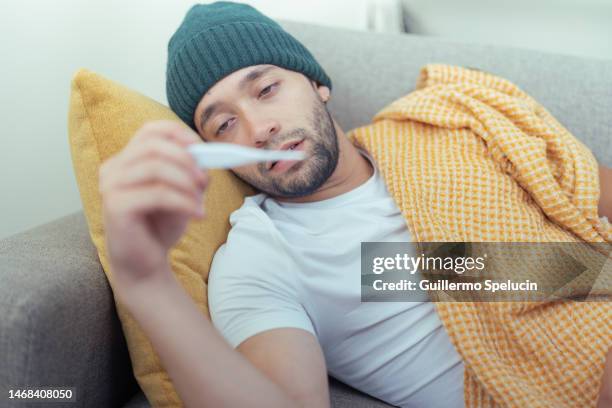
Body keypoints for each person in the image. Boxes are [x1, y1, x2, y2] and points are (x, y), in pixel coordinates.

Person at [99, 2, 612, 407]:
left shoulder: (437, 129)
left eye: (267, 88)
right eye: (224, 123)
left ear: (317, 84)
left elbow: (587, 221)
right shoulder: (262, 256)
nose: (259, 129)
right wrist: (147, 286)